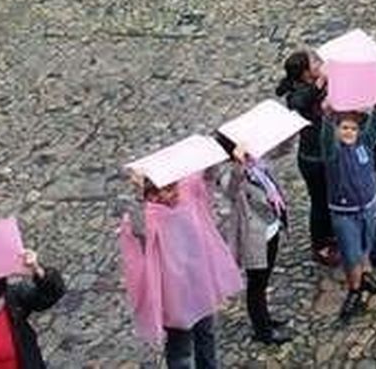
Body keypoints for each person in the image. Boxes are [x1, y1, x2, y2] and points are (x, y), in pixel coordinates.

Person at [120, 169, 244, 366]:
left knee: (206, 334)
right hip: (174, 295)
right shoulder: (148, 217)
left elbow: (208, 183)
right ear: (153, 195)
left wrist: (219, 165)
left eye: (174, 186)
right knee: (180, 348)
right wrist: (138, 195)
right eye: (167, 189)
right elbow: (139, 229)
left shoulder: (187, 197)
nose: (174, 193)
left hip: (199, 284)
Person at [217, 142, 292, 346]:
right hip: (255, 237)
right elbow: (231, 189)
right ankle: (262, 330)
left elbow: (282, 150)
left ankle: (265, 318)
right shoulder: (228, 173)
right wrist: (238, 165)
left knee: (264, 280)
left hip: (271, 227)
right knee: (256, 284)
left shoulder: (258, 163)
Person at [321, 107, 376, 325]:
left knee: (365, 248)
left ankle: (365, 278)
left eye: (353, 128)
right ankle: (354, 291)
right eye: (344, 128)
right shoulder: (333, 153)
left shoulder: (364, 145)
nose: (349, 132)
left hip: (368, 209)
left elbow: (374, 128)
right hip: (345, 214)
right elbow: (326, 139)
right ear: (337, 130)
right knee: (351, 255)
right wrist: (327, 117)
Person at [275, 51, 337, 268]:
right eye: (314, 63)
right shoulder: (297, 93)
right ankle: (320, 244)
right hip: (312, 157)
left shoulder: (317, 85)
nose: (320, 64)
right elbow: (299, 102)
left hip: (327, 150)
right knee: (319, 201)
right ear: (305, 72)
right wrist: (319, 84)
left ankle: (331, 234)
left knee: (330, 196)